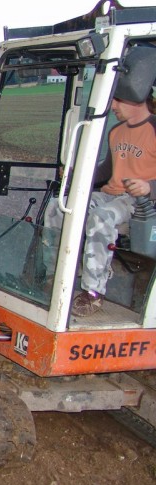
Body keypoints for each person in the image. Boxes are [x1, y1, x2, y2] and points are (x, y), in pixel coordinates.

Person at [44, 45, 156, 317]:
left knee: (101, 218)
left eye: (116, 100)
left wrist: (149, 187)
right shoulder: (117, 132)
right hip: (111, 194)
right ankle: (55, 275)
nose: (113, 106)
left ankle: (93, 293)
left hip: (139, 202)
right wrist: (74, 175)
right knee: (60, 207)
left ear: (136, 95)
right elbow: (107, 170)